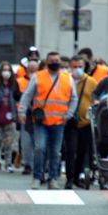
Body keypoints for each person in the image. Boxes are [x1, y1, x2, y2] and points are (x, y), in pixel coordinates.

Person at [18, 51, 77, 189]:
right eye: (51, 60)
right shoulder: (38, 77)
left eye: (56, 60)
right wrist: (22, 111)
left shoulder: (67, 78)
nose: (54, 62)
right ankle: (37, 177)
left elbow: (74, 98)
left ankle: (53, 178)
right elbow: (27, 95)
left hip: (59, 121)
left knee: (55, 151)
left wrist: (68, 114)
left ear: (60, 62)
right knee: (40, 148)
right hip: (41, 121)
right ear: (47, 61)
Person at [63, 56, 97, 189]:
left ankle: (77, 176)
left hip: (86, 122)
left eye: (80, 66)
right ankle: (70, 179)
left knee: (82, 151)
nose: (77, 69)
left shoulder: (91, 82)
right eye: (75, 66)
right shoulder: (66, 80)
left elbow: (95, 98)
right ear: (70, 67)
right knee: (71, 150)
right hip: (70, 120)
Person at [18, 59, 39, 175]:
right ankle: (28, 164)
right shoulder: (20, 81)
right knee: (26, 143)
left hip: (39, 116)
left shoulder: (40, 79)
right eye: (30, 69)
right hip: (26, 115)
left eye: (34, 69)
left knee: (38, 143)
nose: (32, 71)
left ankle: (38, 165)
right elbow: (18, 96)